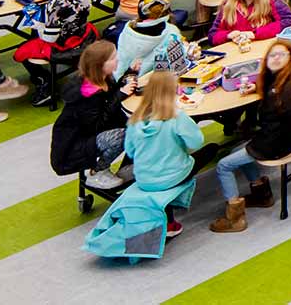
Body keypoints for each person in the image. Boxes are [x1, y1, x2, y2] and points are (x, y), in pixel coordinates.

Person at [83, 66, 204, 258]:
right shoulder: (177, 117)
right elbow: (196, 142)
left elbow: (130, 151)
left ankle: (169, 222)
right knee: (208, 151)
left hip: (145, 179)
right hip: (172, 176)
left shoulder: (135, 120)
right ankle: (174, 214)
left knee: (162, 168)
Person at [209, 38, 291, 233]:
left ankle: (235, 218)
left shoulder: (285, 91)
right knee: (235, 149)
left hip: (274, 145)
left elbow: (274, 116)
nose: (275, 58)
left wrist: (255, 145)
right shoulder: (285, 80)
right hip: (278, 139)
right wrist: (256, 88)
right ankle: (261, 193)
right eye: (272, 55)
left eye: (281, 55)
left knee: (223, 166)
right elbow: (272, 93)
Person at [49, 38, 127, 191]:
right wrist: (120, 95)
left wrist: (129, 73)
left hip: (87, 136)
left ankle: (130, 164)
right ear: (100, 65)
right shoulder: (87, 95)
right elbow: (98, 125)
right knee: (124, 135)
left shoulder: (102, 79)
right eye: (112, 58)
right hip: (74, 147)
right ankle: (98, 172)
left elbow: (109, 98)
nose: (117, 59)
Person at [16, 0, 91, 104]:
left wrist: (37, 24)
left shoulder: (56, 5)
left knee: (21, 52)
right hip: (81, 36)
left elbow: (49, 39)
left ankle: (44, 83)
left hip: (62, 45)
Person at [113, 0, 194, 86]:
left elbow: (120, 62)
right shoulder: (171, 33)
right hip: (156, 88)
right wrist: (188, 51)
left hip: (123, 86)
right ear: (168, 12)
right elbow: (179, 68)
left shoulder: (127, 30)